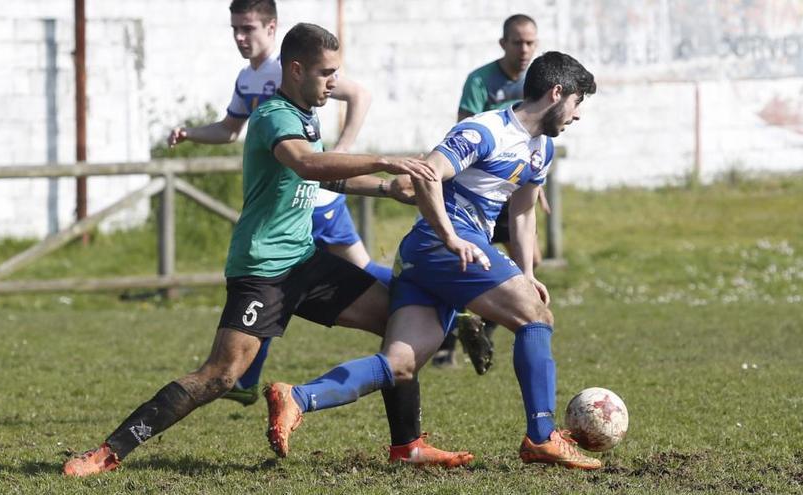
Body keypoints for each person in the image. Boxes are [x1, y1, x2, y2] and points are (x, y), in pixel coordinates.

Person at [63, 22, 473, 477]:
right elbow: (305, 162)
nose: (334, 82)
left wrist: (383, 188)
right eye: (326, 73)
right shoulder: (273, 115)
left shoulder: (305, 113)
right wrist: (383, 159)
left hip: (305, 259)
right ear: (296, 69)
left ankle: (408, 446)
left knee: (402, 325)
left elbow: (321, 176)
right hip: (263, 270)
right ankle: (107, 452)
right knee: (220, 375)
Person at [264, 51, 602, 470]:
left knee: (400, 364)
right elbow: (428, 173)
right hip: (443, 244)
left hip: (434, 254)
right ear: (557, 93)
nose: (578, 114)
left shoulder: (541, 149)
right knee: (537, 318)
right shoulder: (485, 131)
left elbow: (523, 211)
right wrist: (449, 235)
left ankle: (296, 397)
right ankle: (541, 435)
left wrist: (528, 273)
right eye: (577, 102)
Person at [166, 0, 404, 408]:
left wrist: (342, 151)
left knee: (344, 273)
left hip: (315, 194)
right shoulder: (248, 79)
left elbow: (358, 94)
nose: (241, 38)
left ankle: (423, 306)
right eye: (235, 29)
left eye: (249, 29)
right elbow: (229, 131)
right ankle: (246, 378)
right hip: (291, 191)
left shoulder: (297, 68)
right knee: (287, 281)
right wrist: (189, 133)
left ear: (272, 28)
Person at [434, 14, 549, 372]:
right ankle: (450, 342)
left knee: (533, 260)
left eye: (531, 42)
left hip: (513, 190)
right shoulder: (481, 81)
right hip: (479, 192)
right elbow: (462, 134)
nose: (525, 49)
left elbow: (533, 144)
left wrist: (534, 186)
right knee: (466, 264)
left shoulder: (537, 84)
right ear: (504, 44)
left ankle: (478, 321)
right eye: (518, 42)